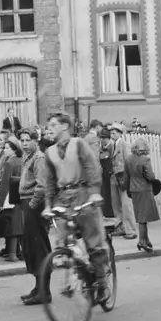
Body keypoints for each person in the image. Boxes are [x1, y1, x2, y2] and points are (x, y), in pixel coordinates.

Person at [40, 113, 110, 300]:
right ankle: (76, 274)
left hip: (83, 194)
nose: (49, 128)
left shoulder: (78, 144)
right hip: (63, 198)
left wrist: (94, 191)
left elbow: (92, 167)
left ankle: (102, 284)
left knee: (93, 241)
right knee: (63, 240)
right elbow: (49, 181)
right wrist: (48, 205)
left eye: (53, 124)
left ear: (64, 126)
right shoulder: (50, 152)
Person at [18, 128, 52, 305]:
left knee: (38, 246)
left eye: (27, 140)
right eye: (21, 140)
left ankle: (44, 291)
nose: (24, 143)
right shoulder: (28, 157)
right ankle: (38, 287)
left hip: (35, 205)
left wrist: (32, 204)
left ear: (35, 141)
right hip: (28, 204)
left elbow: (42, 184)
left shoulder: (38, 158)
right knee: (31, 246)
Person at [125, 137, 160, 253]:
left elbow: (126, 177)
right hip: (144, 188)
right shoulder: (145, 159)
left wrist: (128, 190)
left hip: (133, 188)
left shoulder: (128, 159)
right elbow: (151, 176)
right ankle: (142, 241)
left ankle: (146, 239)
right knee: (143, 218)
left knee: (141, 215)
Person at [107, 123, 138, 239]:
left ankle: (131, 230)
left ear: (120, 133)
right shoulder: (112, 145)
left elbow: (129, 162)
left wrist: (129, 178)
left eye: (114, 133)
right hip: (114, 178)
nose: (112, 135)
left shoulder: (124, 145)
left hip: (123, 178)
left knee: (126, 205)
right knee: (116, 205)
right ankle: (120, 228)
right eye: (111, 133)